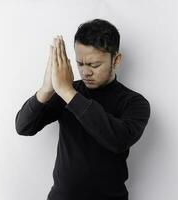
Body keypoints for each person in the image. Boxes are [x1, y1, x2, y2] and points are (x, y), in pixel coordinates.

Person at [15, 18, 151, 200]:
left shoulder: (135, 103)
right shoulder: (66, 92)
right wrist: (47, 89)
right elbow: (23, 127)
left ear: (116, 60)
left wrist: (67, 91)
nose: (86, 72)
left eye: (95, 65)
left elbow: (118, 140)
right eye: (80, 64)